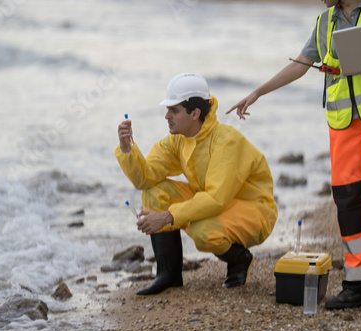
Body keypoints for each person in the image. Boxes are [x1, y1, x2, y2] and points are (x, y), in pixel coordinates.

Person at [228, 0, 361, 313]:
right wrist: (257, 92)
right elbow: (300, 64)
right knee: (348, 201)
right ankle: (358, 287)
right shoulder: (325, 21)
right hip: (343, 124)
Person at [116, 72, 278, 296]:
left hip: (254, 209)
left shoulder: (227, 141)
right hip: (215, 202)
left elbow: (215, 199)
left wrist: (167, 216)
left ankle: (240, 258)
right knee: (154, 192)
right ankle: (168, 275)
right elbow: (145, 179)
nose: (166, 116)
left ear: (195, 113)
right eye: (168, 109)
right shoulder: (178, 139)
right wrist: (127, 149)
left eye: (174, 110)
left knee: (203, 231)